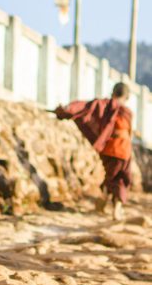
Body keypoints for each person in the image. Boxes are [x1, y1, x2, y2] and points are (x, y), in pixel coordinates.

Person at [54, 82, 132, 220]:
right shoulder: (126, 112)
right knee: (119, 178)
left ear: (113, 92)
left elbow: (85, 109)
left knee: (112, 176)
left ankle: (104, 200)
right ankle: (116, 210)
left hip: (109, 149)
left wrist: (67, 110)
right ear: (126, 96)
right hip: (124, 149)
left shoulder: (105, 105)